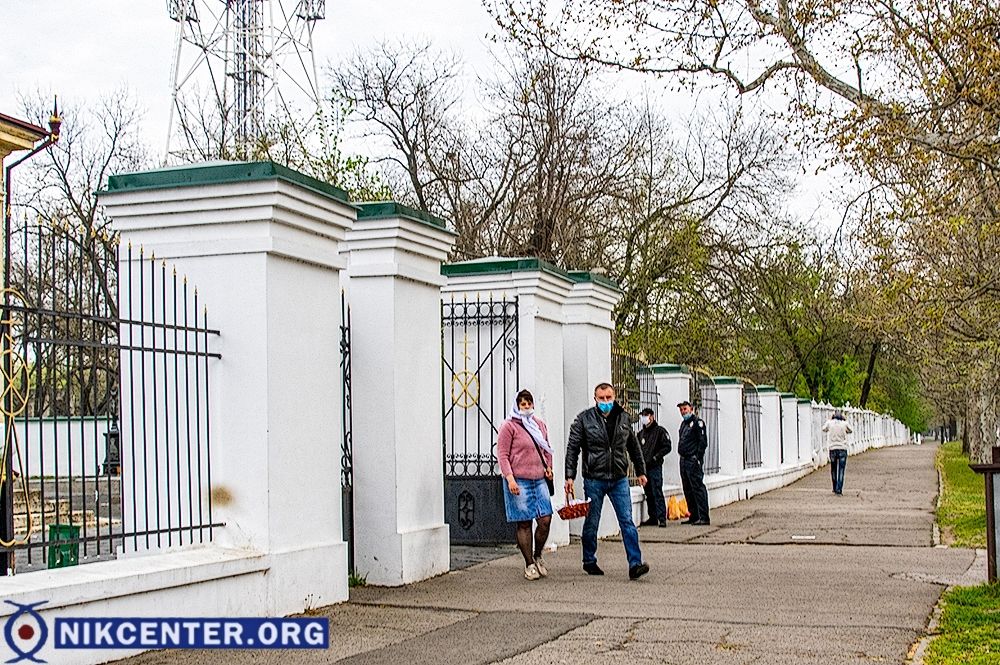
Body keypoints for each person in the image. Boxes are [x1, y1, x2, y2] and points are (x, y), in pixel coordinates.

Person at [565, 382, 650, 580]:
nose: (605, 402)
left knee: (627, 521)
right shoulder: (584, 419)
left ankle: (635, 563)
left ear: (614, 397)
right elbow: (573, 448)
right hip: (595, 478)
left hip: (619, 478)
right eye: (601, 398)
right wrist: (570, 476)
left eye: (608, 398)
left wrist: (641, 471)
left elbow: (633, 446)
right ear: (595, 399)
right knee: (592, 520)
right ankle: (589, 560)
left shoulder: (623, 418)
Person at [498, 389, 554, 580]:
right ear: (517, 405)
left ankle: (538, 554)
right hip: (519, 479)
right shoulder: (509, 426)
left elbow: (547, 449)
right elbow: (503, 455)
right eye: (523, 404)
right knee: (524, 522)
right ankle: (529, 563)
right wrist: (510, 478)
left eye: (529, 403)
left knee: (545, 519)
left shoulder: (539, 425)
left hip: (539, 479)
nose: (527, 407)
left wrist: (549, 468)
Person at [676, 401, 710, 525]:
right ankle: (694, 515)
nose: (683, 412)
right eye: (681, 410)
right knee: (687, 488)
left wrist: (697, 457)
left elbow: (702, 442)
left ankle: (704, 516)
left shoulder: (698, 423)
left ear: (691, 409)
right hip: (684, 460)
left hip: (692, 459)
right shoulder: (684, 424)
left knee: (697, 488)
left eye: (685, 409)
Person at [638, 408, 671, 527]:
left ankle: (662, 518)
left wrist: (656, 457)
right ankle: (653, 517)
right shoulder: (641, 434)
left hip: (655, 467)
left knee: (657, 491)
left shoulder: (660, 431)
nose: (644, 418)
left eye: (646, 415)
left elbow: (667, 446)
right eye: (643, 416)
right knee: (648, 493)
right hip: (644, 468)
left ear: (652, 416)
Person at [823, 410, 853, 495]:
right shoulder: (844, 424)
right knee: (841, 469)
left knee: (833, 468)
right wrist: (845, 421)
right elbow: (850, 430)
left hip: (832, 448)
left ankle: (834, 487)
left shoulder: (830, 423)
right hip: (842, 449)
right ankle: (839, 489)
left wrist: (830, 420)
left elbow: (823, 429)